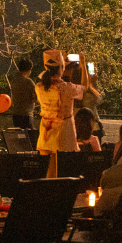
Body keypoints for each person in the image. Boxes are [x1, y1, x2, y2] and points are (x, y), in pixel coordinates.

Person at [36, 48, 91, 176]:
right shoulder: (67, 88)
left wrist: (61, 64)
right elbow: (85, 87)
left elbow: (45, 75)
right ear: (61, 68)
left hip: (45, 132)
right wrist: (83, 64)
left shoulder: (39, 87)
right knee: (61, 172)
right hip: (63, 134)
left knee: (47, 170)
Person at [7, 57, 35, 131]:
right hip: (27, 115)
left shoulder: (14, 81)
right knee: (29, 136)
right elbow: (37, 96)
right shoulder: (28, 82)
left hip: (16, 114)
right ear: (29, 70)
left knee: (19, 136)